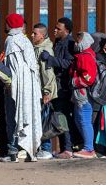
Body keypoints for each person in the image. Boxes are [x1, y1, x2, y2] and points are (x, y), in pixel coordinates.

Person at [1, 13, 43, 162]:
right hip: (30, 85)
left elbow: (12, 67)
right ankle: (26, 149)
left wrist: (9, 83)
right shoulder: (25, 41)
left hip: (17, 86)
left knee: (13, 116)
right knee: (27, 114)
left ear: (10, 25)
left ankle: (14, 151)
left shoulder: (11, 41)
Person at [40, 17, 78, 157]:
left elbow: (69, 63)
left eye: (58, 29)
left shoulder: (69, 43)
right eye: (55, 27)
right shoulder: (58, 42)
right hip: (57, 86)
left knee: (63, 117)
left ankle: (68, 148)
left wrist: (51, 59)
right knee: (57, 117)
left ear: (66, 31)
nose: (55, 30)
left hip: (63, 88)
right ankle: (63, 148)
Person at [30, 23, 59, 160]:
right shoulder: (38, 48)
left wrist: (47, 92)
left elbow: (47, 73)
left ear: (42, 35)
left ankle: (46, 148)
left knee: (44, 120)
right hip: (41, 90)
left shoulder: (44, 51)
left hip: (44, 91)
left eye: (35, 33)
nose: (32, 35)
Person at [69, 32, 99, 158]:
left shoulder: (84, 57)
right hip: (80, 93)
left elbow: (89, 78)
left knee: (84, 120)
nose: (75, 44)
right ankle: (88, 146)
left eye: (77, 41)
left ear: (83, 42)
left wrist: (74, 81)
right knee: (79, 119)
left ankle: (89, 148)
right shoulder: (86, 55)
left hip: (82, 93)